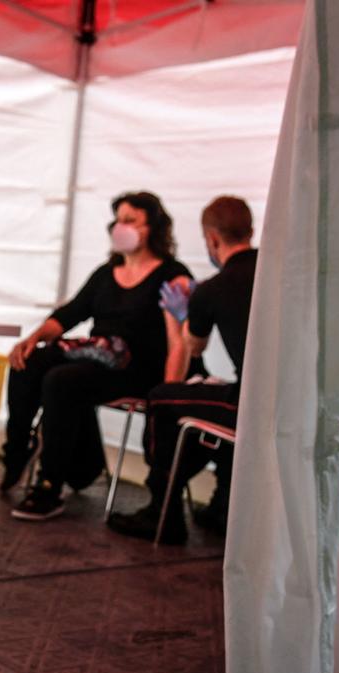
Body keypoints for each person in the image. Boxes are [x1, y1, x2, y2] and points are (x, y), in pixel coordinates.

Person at [4, 191, 192, 520]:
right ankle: (17, 451)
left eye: (130, 220)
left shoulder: (171, 274)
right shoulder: (107, 273)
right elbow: (69, 314)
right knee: (30, 361)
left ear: (153, 227)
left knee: (61, 380)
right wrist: (33, 338)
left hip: (138, 368)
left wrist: (169, 395)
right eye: (118, 220)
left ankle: (50, 485)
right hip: (98, 358)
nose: (121, 227)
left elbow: (180, 340)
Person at [107, 195, 258, 543]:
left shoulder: (214, 289)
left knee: (162, 398)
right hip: (291, 399)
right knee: (220, 391)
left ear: (212, 239)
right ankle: (223, 505)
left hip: (251, 402)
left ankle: (163, 511)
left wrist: (182, 316)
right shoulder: (277, 273)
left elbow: (194, 347)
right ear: (250, 231)